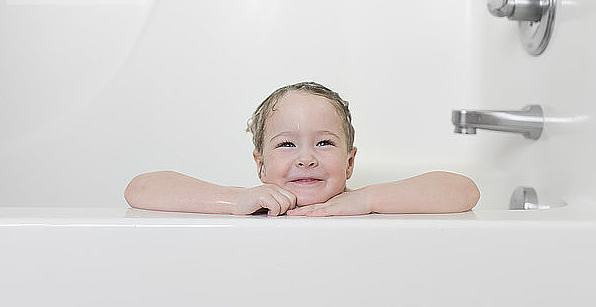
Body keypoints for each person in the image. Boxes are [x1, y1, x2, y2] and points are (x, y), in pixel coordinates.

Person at [124, 81, 480, 216]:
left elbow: (464, 191)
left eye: (324, 143)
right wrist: (232, 202)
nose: (306, 158)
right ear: (260, 164)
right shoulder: (253, 203)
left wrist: (367, 200)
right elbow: (140, 188)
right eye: (286, 144)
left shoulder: (367, 205)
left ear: (350, 161)